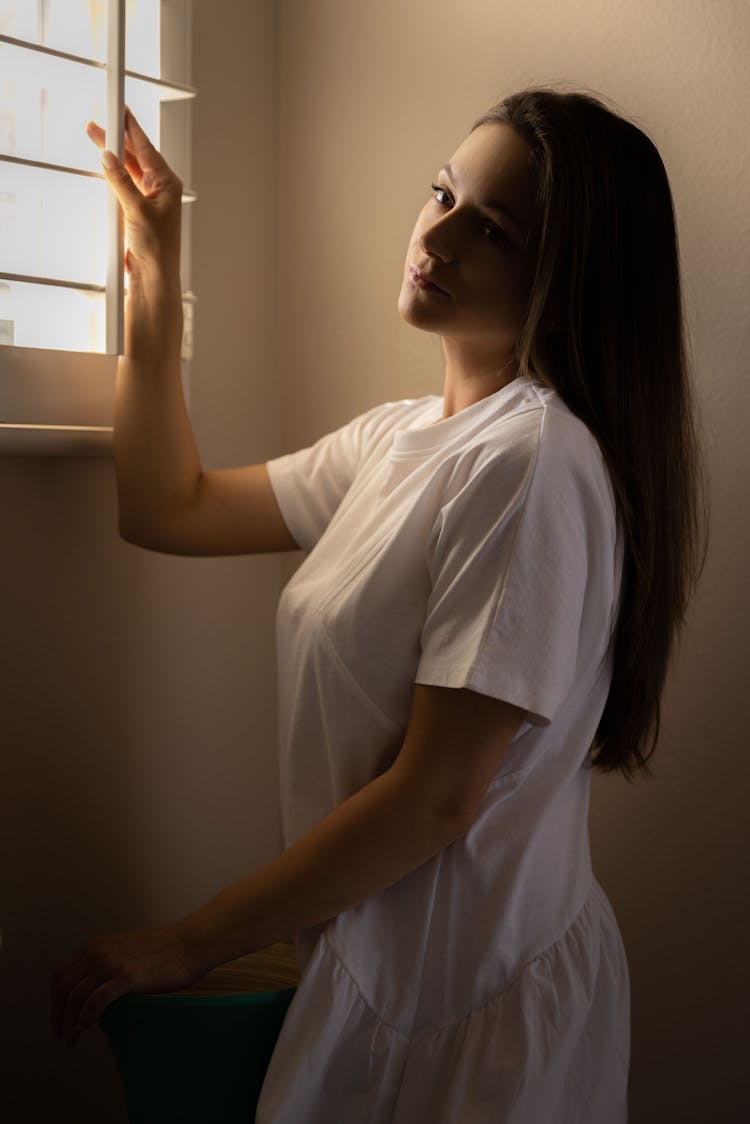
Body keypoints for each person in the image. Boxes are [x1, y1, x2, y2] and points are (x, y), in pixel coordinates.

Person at [52, 88, 705, 1122]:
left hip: (479, 1013)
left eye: (489, 228)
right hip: (387, 981)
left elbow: (437, 795)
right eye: (442, 193)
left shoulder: (533, 461)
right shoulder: (400, 440)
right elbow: (164, 505)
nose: (435, 236)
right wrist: (156, 267)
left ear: (566, 281)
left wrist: (187, 939)